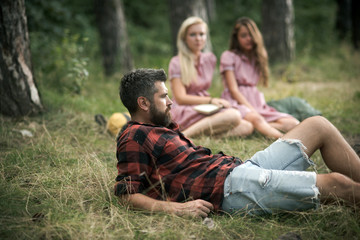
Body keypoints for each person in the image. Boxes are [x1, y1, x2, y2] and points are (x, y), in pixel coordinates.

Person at [115, 68, 360, 218]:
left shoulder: (159, 127)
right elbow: (126, 195)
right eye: (164, 96)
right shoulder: (134, 136)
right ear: (143, 103)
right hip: (231, 190)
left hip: (240, 170)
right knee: (337, 184)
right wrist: (178, 210)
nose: (170, 102)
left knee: (317, 124)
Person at [168, 16, 253, 138]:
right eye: (193, 34)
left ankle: (198, 135)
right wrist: (211, 100)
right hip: (184, 109)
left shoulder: (210, 59)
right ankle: (182, 136)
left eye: (201, 34)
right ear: (184, 38)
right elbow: (180, 98)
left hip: (205, 107)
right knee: (233, 115)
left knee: (247, 126)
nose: (198, 38)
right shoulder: (177, 62)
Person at [220, 17, 299, 139]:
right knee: (256, 118)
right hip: (237, 102)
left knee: (292, 123)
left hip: (256, 102)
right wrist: (251, 109)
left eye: (251, 35)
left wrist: (255, 109)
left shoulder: (258, 56)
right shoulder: (229, 56)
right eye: (243, 35)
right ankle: (284, 140)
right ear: (236, 38)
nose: (248, 39)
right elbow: (233, 90)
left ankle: (257, 129)